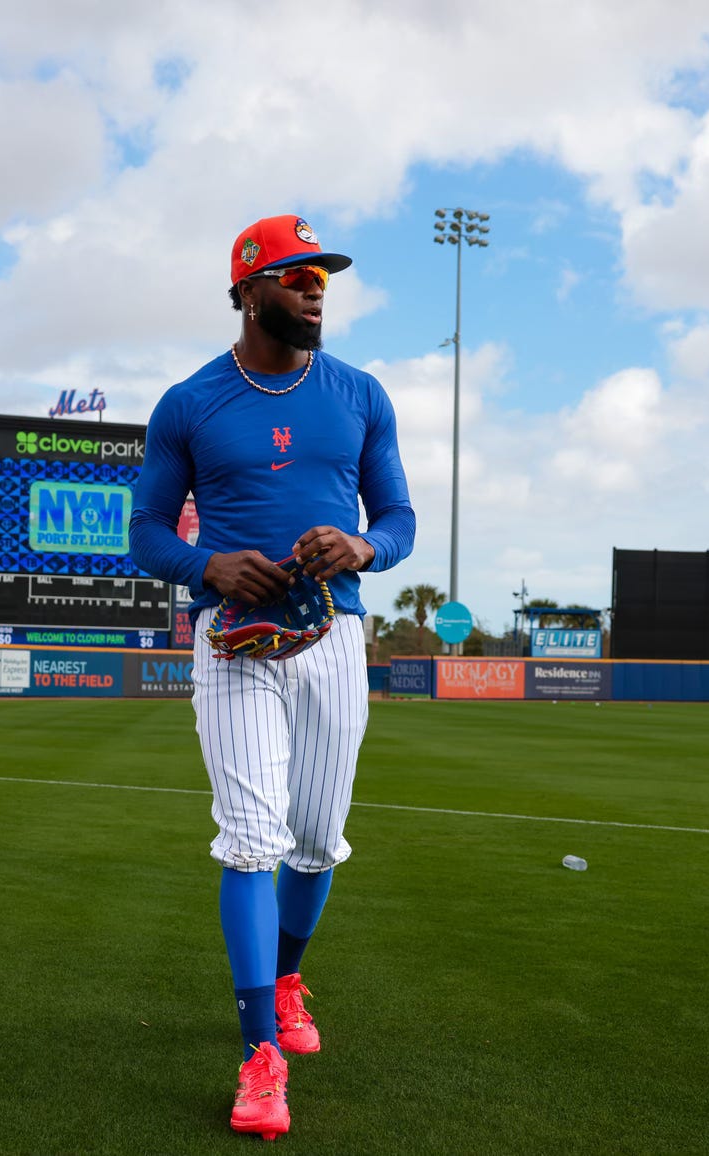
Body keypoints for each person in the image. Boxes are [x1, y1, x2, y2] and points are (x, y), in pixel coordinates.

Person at [129, 214, 415, 1140]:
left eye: (321, 276)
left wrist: (362, 546)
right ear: (248, 290)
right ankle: (260, 1054)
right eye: (296, 275)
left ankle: (287, 976)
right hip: (233, 641)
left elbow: (399, 518)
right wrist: (205, 565)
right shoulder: (190, 402)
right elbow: (145, 531)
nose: (315, 288)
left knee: (316, 839)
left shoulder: (360, 394)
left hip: (333, 635)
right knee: (251, 839)